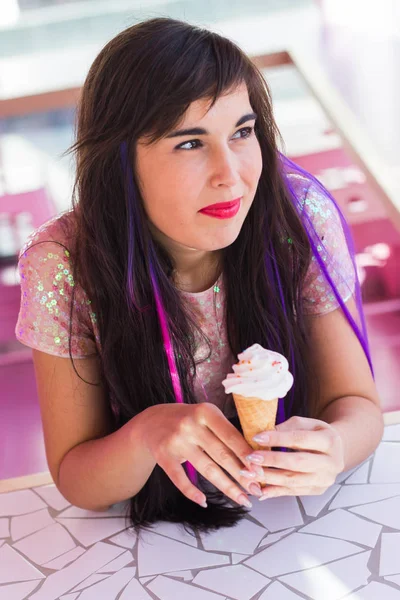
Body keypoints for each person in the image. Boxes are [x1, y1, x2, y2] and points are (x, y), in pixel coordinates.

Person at [15, 17, 383, 534]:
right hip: (150, 533)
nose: (230, 174)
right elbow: (78, 478)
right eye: (189, 143)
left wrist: (335, 447)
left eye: (242, 132)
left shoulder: (297, 219)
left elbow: (360, 407)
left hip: (294, 521)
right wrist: (145, 435)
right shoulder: (65, 263)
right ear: (119, 161)